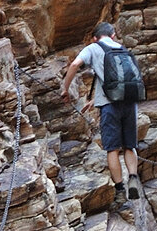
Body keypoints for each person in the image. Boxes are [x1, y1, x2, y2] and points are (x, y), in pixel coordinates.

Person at [60, 21, 141, 211]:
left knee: (112, 149)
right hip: (130, 102)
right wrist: (92, 100)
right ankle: (134, 178)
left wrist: (65, 88)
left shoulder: (93, 48)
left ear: (95, 38)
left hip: (109, 106)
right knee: (129, 145)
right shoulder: (121, 48)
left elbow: (75, 64)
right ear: (112, 35)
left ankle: (120, 190)